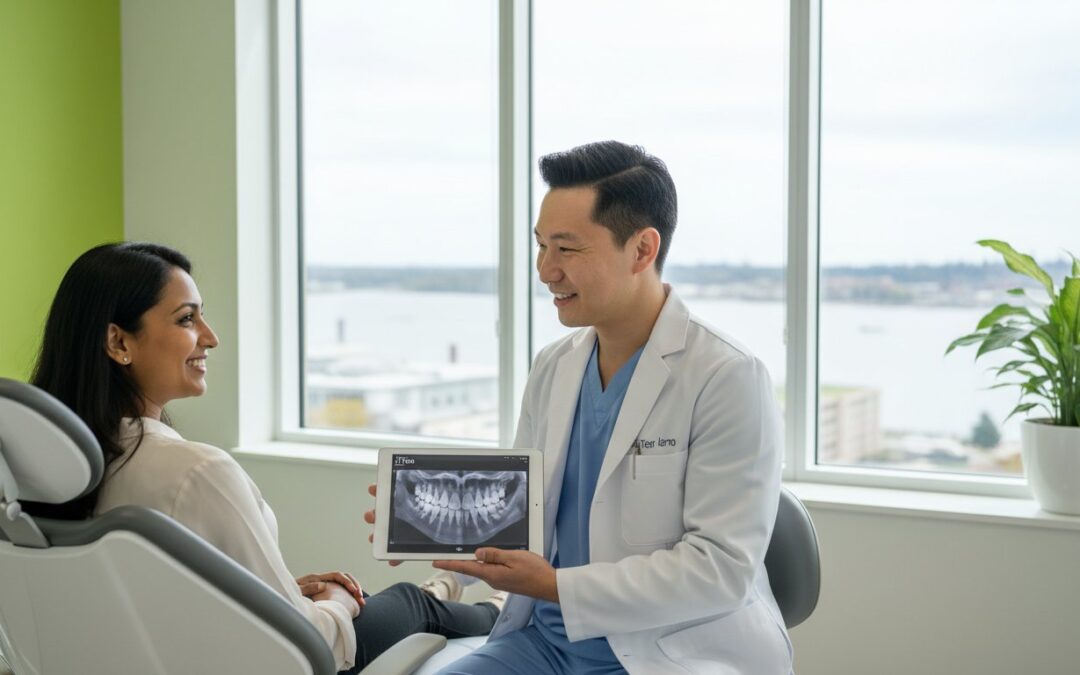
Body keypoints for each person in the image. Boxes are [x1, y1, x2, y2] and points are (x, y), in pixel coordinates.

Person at [27, 242, 499, 673]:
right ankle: (494, 608)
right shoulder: (197, 473)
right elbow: (306, 647)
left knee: (389, 598)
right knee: (406, 604)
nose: (210, 338)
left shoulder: (39, 476)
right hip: (256, 657)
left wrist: (282, 591)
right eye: (187, 319)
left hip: (175, 650)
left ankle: (446, 588)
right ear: (118, 342)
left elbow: (148, 598)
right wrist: (335, 602)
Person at [426, 141, 792, 673]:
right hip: (545, 642)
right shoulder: (554, 365)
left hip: (665, 652)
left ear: (642, 250)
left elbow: (721, 569)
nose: (546, 270)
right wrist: (437, 528)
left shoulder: (727, 376)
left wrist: (554, 585)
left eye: (567, 250)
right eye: (541, 246)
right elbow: (522, 512)